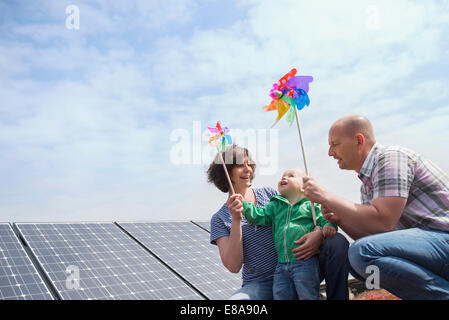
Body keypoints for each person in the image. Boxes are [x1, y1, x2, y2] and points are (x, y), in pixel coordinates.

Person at [303, 115, 449, 299]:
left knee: (361, 252)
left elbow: (383, 221)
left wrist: (326, 196)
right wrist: (339, 218)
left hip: (443, 238)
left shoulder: (390, 158)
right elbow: (375, 236)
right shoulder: (367, 185)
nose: (330, 152)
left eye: (335, 144)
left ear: (358, 140)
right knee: (355, 259)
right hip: (431, 248)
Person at [207, 145, 350, 300]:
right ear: (226, 172)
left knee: (336, 242)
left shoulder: (272, 195)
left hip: (303, 263)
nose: (248, 169)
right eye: (240, 165)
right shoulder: (219, 219)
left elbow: (307, 211)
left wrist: (319, 234)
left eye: (249, 164)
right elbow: (233, 266)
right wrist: (236, 219)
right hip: (262, 283)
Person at [230, 168, 338, 299]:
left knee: (307, 294)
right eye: (282, 176)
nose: (284, 178)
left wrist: (329, 225)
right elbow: (260, 217)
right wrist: (245, 206)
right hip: (281, 265)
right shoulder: (275, 205)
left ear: (304, 187)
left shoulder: (310, 205)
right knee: (281, 295)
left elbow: (323, 219)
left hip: (305, 262)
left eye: (291, 176)